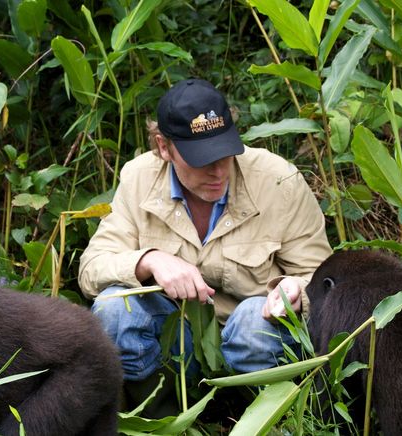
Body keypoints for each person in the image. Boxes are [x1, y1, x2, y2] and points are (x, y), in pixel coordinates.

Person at [77, 78, 332, 415]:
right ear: (163, 147)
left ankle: (262, 419)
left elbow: (324, 281)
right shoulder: (138, 178)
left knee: (252, 328)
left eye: (225, 153)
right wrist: (149, 261)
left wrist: (295, 290)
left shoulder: (278, 179)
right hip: (176, 347)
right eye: (201, 159)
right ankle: (161, 418)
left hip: (253, 344)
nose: (218, 171)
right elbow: (91, 269)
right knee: (115, 310)